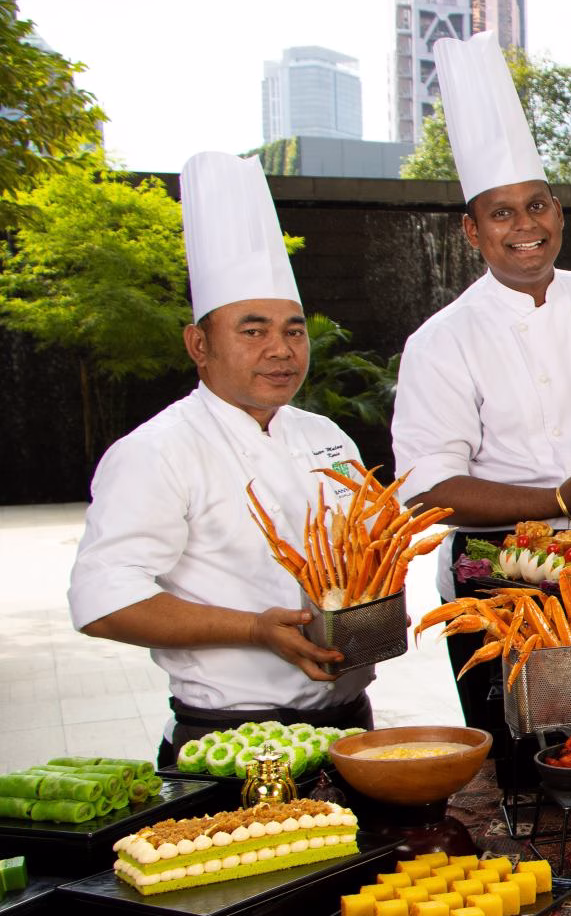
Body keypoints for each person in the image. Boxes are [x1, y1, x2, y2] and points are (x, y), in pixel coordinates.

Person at [390, 30, 571, 735]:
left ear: (558, 212)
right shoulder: (443, 339)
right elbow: (427, 492)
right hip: (501, 570)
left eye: (536, 205)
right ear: (471, 230)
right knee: (528, 752)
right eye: (501, 213)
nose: (525, 226)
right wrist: (558, 500)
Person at [68, 152, 372, 763]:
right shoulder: (157, 450)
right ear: (199, 345)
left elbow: (367, 549)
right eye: (253, 331)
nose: (281, 350)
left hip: (351, 728)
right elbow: (102, 602)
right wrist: (254, 629)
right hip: (231, 739)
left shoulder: (327, 436)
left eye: (293, 330)